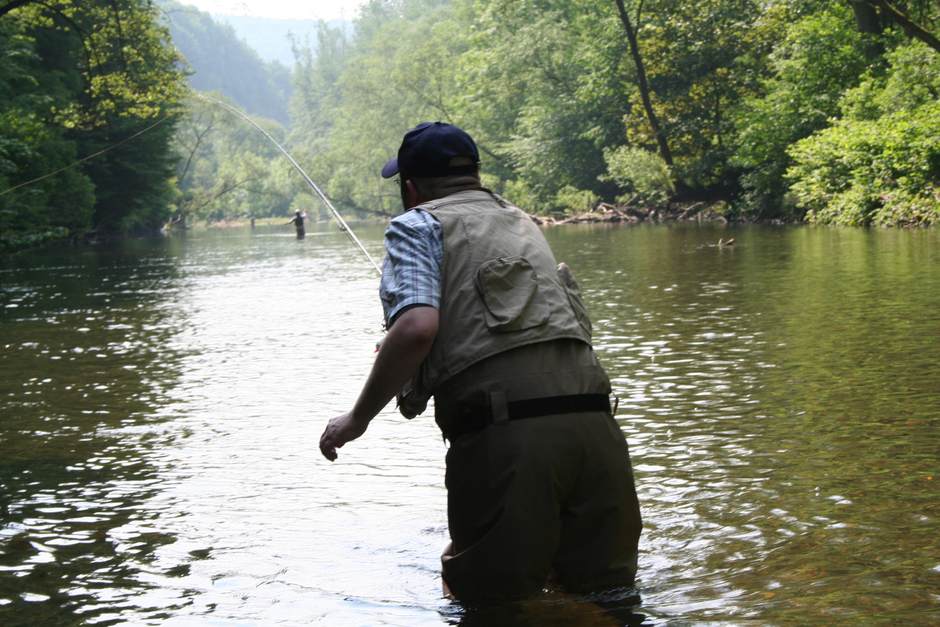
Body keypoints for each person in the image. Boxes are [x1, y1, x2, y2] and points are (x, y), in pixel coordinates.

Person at [319, 122, 642, 603]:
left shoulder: (416, 224)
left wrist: (356, 419)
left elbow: (417, 329)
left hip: (510, 436)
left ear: (409, 187)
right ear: (474, 174)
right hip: (598, 428)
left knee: (488, 604)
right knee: (607, 600)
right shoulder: (520, 219)